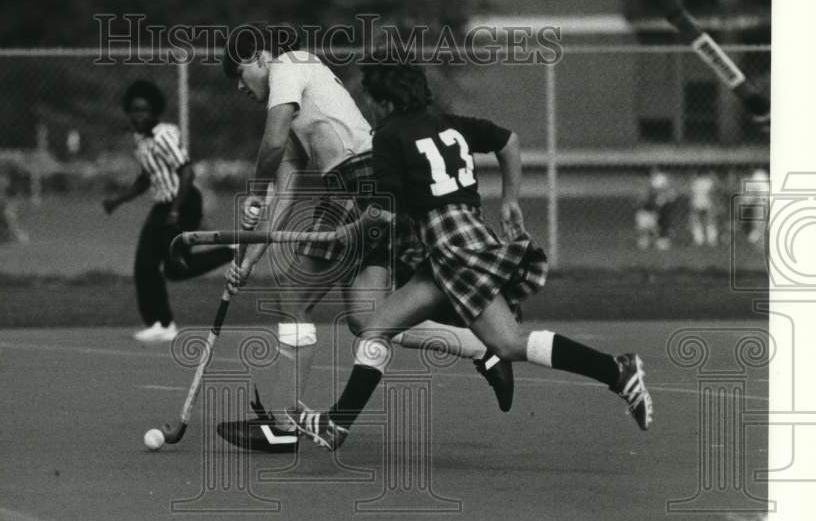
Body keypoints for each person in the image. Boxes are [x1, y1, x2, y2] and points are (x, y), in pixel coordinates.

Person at [285, 61, 654, 451]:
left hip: (452, 249)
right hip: (465, 239)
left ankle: (617, 370)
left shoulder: (389, 135)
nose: (368, 109)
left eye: (370, 100)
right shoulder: (451, 122)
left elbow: (385, 212)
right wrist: (510, 200)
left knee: (508, 343)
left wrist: (347, 231)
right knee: (377, 329)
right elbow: (508, 141)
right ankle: (337, 425)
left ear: (384, 100)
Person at [217, 27, 513, 452]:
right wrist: (246, 262)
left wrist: (255, 183)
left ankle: (283, 425)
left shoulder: (290, 64)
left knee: (293, 300)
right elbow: (282, 194)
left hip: (359, 185)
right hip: (368, 186)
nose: (238, 86)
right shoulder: (300, 102)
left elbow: (271, 141)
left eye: (238, 71)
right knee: (369, 319)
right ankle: (487, 350)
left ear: (261, 57)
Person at [103, 79, 233, 343]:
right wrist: (119, 200)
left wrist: (175, 212)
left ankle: (232, 252)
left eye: (144, 110)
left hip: (183, 203)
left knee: (176, 268)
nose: (139, 116)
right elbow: (146, 178)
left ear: (155, 112)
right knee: (144, 266)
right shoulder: (140, 140)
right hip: (163, 204)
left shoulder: (163, 136)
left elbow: (187, 172)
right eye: (134, 110)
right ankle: (160, 323)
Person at [688, 167, 720, 247]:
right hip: (708, 203)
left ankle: (698, 240)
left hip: (696, 202)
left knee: (697, 222)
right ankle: (711, 240)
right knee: (710, 221)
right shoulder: (710, 182)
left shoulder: (695, 182)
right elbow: (714, 192)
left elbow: (691, 193)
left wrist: (691, 203)